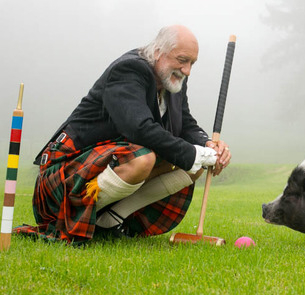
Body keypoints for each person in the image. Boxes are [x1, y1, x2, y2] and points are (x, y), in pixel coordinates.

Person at [15, 25, 232, 244]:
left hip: (107, 165)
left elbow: (185, 124)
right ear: (158, 51)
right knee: (144, 159)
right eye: (182, 60)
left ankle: (109, 221)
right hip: (62, 177)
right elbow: (139, 128)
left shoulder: (172, 81)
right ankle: (75, 217)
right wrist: (194, 154)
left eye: (192, 63)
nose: (187, 71)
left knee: (190, 164)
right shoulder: (129, 70)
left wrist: (206, 145)